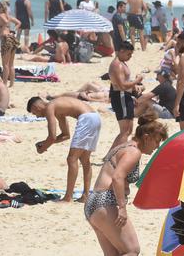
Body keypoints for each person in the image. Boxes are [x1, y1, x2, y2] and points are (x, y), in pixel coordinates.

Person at [85, 110, 168, 256]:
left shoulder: (123, 146)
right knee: (132, 250)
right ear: (146, 137)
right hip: (106, 202)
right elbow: (117, 177)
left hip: (93, 203)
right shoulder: (133, 152)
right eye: (157, 141)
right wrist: (122, 208)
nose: (157, 146)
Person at [27, 96, 102, 203]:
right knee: (85, 160)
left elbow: (52, 137)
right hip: (95, 117)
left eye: (35, 113)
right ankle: (85, 196)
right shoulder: (58, 108)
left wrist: (43, 148)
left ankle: (68, 197)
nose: (38, 116)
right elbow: (66, 135)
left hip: (86, 119)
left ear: (36, 107)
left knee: (71, 159)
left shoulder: (49, 107)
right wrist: (45, 143)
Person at [109, 41, 143, 146]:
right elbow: (122, 86)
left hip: (124, 96)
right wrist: (137, 80)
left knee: (128, 130)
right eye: (129, 54)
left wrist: (134, 88)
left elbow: (125, 82)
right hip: (121, 96)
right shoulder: (117, 65)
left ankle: (111, 155)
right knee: (125, 131)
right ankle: (115, 154)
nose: (130, 57)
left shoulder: (121, 63)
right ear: (121, 51)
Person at [0, 1, 21, 86]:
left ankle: (5, 83)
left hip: (6, 40)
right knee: (11, 64)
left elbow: (6, 22)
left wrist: (4, 27)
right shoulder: (8, 16)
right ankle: (12, 84)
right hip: (12, 39)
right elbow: (18, 23)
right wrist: (13, 31)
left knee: (5, 64)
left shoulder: (0, 15)